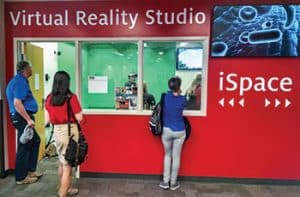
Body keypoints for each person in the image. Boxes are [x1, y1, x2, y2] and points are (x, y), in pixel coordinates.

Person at [45, 71, 83, 197]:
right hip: (69, 132)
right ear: (67, 83)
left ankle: (67, 188)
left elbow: (47, 120)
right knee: (68, 166)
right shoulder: (71, 98)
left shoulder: (49, 98)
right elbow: (80, 118)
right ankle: (62, 193)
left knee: (62, 162)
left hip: (57, 131)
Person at [6, 60, 42, 185]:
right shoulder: (19, 82)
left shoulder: (20, 81)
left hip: (22, 117)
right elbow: (17, 103)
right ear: (25, 70)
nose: (32, 70)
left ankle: (30, 171)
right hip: (21, 117)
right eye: (30, 68)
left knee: (35, 141)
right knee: (24, 146)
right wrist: (28, 119)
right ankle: (21, 177)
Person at [159, 76, 187, 191]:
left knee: (167, 155)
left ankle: (165, 182)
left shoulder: (165, 97)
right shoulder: (183, 99)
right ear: (179, 86)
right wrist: (179, 92)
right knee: (176, 157)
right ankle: (173, 183)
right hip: (180, 130)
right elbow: (181, 99)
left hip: (167, 130)